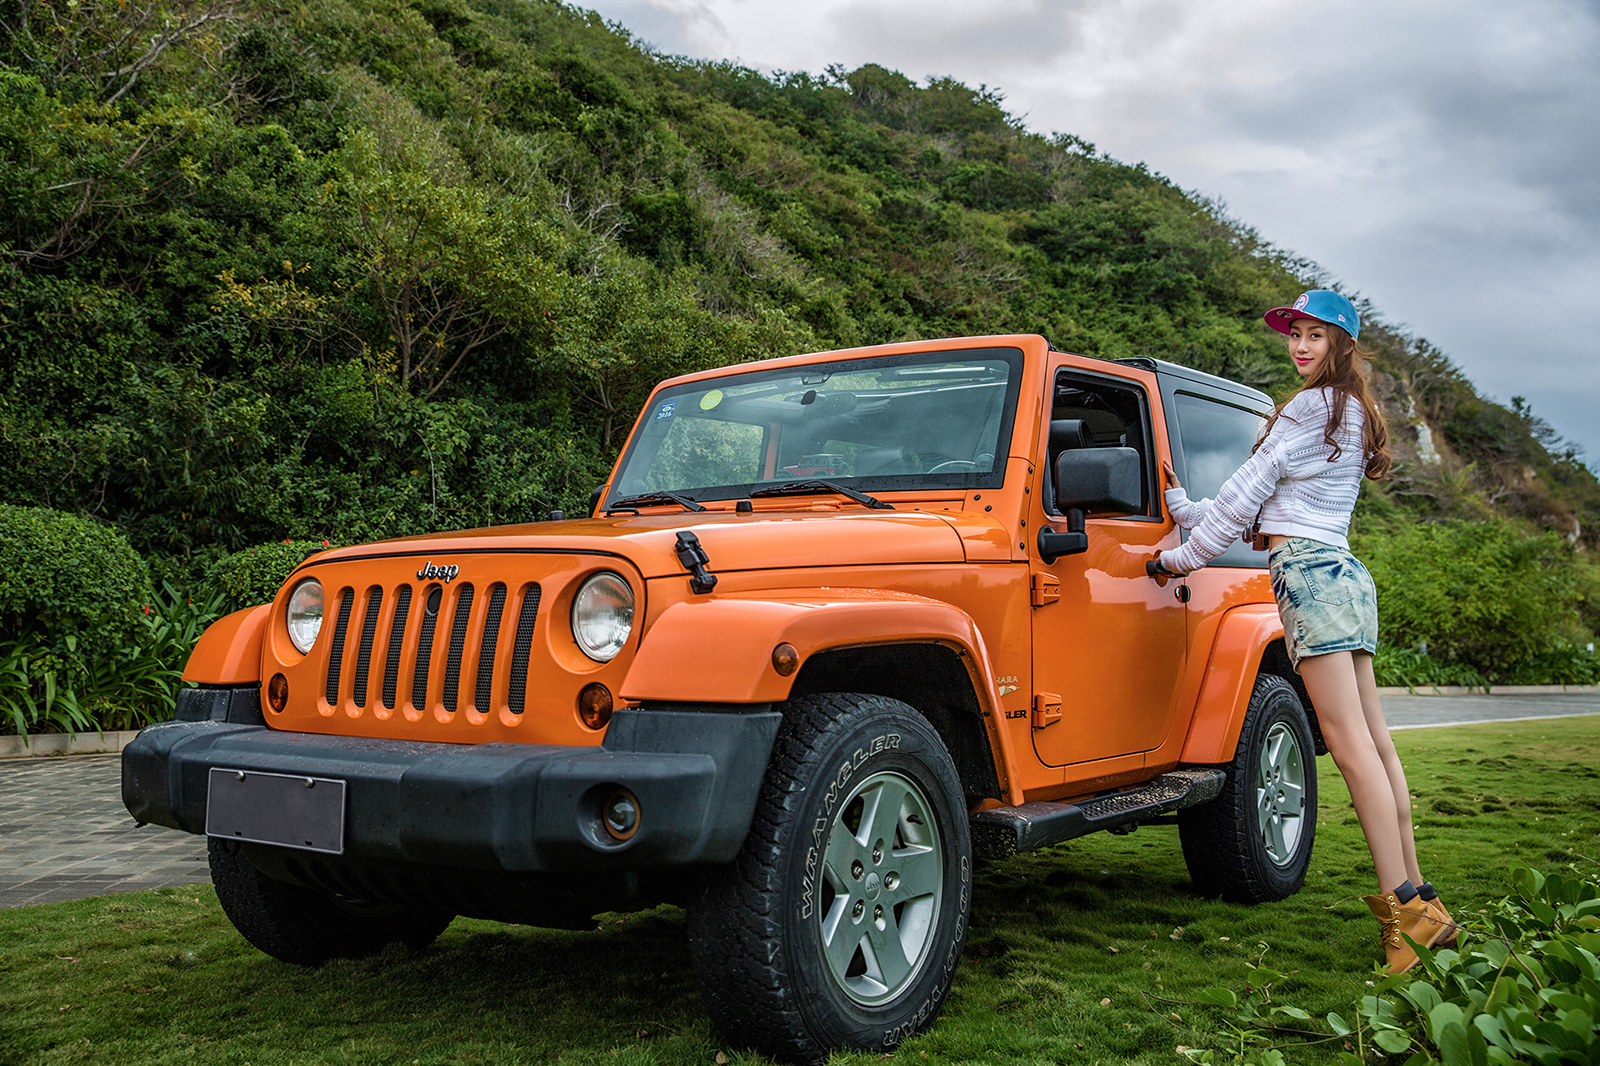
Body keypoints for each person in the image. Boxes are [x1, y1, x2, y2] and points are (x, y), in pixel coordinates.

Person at [1151, 289, 1456, 974]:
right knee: (1377, 745)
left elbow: (1250, 490)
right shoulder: (1351, 410)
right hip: (1344, 572)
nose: (1300, 346)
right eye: (1295, 333)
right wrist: (1185, 508)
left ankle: (1403, 918)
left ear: (1341, 343)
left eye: (1316, 336)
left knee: (1351, 751)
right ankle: (1426, 907)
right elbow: (1268, 498)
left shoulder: (1311, 405)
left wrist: (1179, 557)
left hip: (1312, 577)